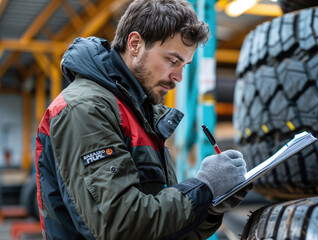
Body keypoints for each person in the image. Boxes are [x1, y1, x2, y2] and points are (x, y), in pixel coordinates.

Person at [34, 0, 250, 239]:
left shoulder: (140, 114)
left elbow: (162, 230)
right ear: (135, 44)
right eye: (172, 60)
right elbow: (120, 225)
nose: (178, 76)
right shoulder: (85, 108)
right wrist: (203, 188)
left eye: (184, 65)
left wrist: (210, 206)